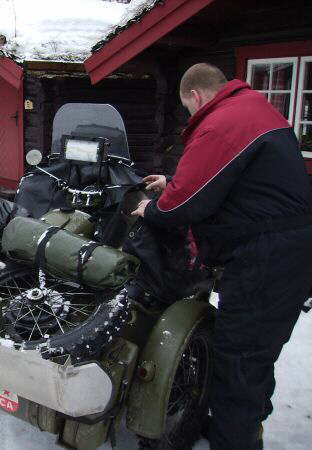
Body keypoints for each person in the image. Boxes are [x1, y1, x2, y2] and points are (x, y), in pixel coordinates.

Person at [132, 63, 312, 450]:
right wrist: (172, 180)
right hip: (287, 253)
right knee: (254, 353)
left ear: (195, 95)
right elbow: (225, 176)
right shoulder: (252, 108)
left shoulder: (220, 123)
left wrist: (151, 209)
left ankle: (237, 440)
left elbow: (184, 205)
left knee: (239, 357)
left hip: (266, 258)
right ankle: (245, 426)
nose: (189, 116)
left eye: (186, 109)